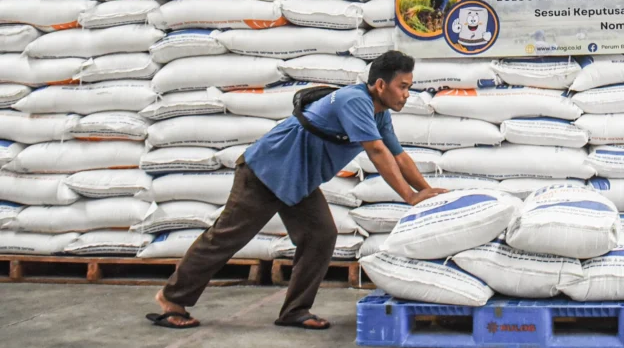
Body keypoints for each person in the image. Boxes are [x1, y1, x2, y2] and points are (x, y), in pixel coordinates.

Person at [146, 51, 447, 331]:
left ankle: (295, 311)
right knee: (227, 236)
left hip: (298, 179)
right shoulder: (354, 101)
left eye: (409, 87)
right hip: (265, 170)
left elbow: (399, 156)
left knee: (320, 235)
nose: (407, 94)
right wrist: (410, 197)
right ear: (381, 85)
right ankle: (172, 299)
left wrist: (428, 192)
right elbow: (377, 152)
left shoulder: (379, 114)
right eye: (402, 86)